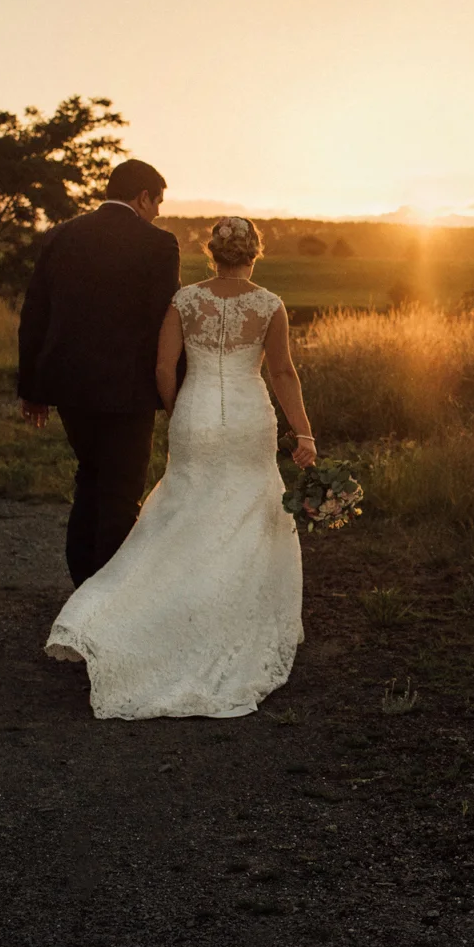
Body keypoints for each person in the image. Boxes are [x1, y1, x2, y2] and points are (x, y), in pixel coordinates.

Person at [45, 216, 315, 719]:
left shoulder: (185, 301)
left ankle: (123, 613)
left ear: (212, 253)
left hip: (195, 414)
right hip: (247, 419)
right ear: (255, 253)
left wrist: (179, 410)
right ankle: (228, 615)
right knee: (247, 513)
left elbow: (163, 368)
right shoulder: (269, 305)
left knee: (183, 512)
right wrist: (304, 433)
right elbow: (282, 372)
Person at [16, 160, 181, 587]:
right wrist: (177, 391)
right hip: (129, 392)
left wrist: (32, 389)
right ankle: (108, 595)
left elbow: (35, 314)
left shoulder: (61, 235)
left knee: (89, 477)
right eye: (157, 202)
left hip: (69, 387)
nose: (158, 212)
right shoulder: (159, 244)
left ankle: (83, 583)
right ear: (142, 197)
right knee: (122, 491)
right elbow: (166, 323)